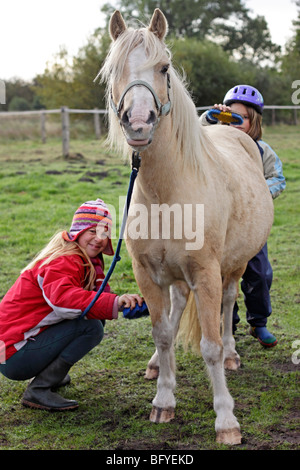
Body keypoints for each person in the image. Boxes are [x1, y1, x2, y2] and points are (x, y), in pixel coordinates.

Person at [0, 198, 143, 411]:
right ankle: (39, 390)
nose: (99, 238)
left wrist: (128, 302)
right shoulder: (64, 260)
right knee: (90, 327)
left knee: (95, 319)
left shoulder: (86, 259)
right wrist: (114, 302)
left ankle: (51, 377)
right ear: (78, 231)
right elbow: (65, 301)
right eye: (92, 231)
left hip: (15, 346)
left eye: (105, 232)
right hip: (11, 354)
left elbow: (98, 297)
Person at [200, 84, 286, 348]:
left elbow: (277, 179)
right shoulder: (212, 145)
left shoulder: (262, 151)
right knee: (221, 275)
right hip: (219, 224)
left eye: (242, 118)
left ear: (254, 121)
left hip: (248, 225)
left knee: (259, 274)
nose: (235, 123)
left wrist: (260, 194)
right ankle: (229, 323)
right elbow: (194, 134)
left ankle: (258, 322)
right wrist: (209, 119)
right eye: (230, 116)